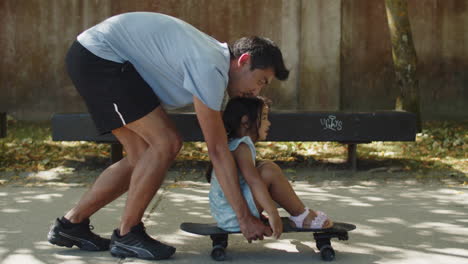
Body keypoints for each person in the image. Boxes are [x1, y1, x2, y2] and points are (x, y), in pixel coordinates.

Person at [47, 12, 289, 260]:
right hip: (100, 58)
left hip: (95, 56)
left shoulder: (212, 59)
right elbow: (217, 150)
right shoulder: (211, 67)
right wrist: (244, 217)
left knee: (141, 157)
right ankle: (128, 234)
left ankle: (71, 225)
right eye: (260, 81)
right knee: (167, 142)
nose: (256, 91)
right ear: (244, 61)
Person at [208, 97, 333, 239]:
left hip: (225, 215)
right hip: (234, 217)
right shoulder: (242, 147)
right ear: (245, 121)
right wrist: (273, 213)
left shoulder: (231, 144)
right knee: (269, 170)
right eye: (265, 118)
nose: (268, 123)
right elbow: (254, 182)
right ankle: (301, 216)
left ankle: (299, 214)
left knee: (264, 168)